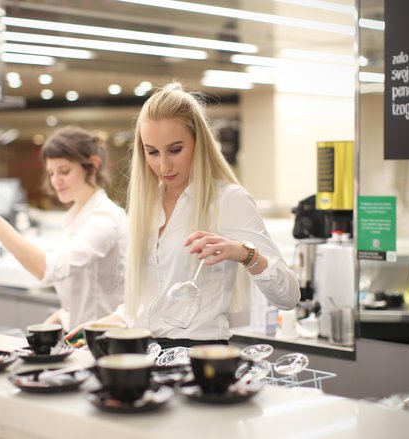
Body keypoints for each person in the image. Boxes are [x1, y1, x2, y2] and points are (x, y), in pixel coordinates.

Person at [67, 83, 300, 348]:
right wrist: (104, 324)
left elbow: (289, 296)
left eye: (175, 150)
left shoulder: (228, 200)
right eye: (152, 152)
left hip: (199, 358)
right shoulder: (146, 206)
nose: (163, 165)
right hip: (145, 353)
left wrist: (246, 254)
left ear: (198, 143)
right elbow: (149, 306)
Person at [0, 126, 128, 331]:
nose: (56, 181)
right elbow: (89, 291)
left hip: (105, 343)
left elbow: (47, 270)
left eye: (64, 171)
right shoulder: (80, 215)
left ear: (93, 165)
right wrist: (60, 316)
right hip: (81, 338)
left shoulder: (104, 219)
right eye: (51, 173)